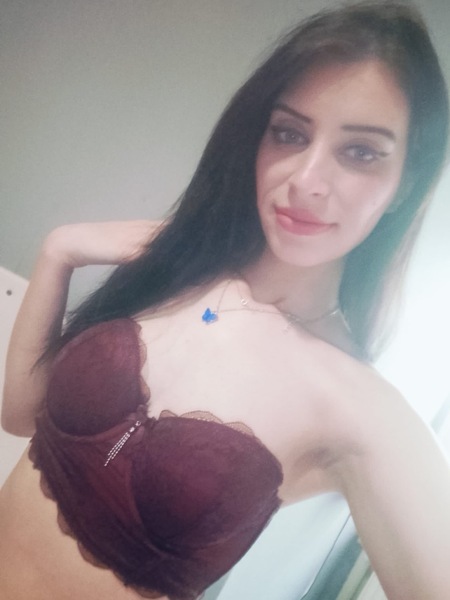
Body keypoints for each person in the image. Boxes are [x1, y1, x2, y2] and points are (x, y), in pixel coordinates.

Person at [1, 2, 450, 599]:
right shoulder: (180, 268)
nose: (306, 179)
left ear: (406, 182)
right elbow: (19, 416)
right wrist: (59, 250)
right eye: (289, 134)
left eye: (361, 152)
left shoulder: (361, 411)